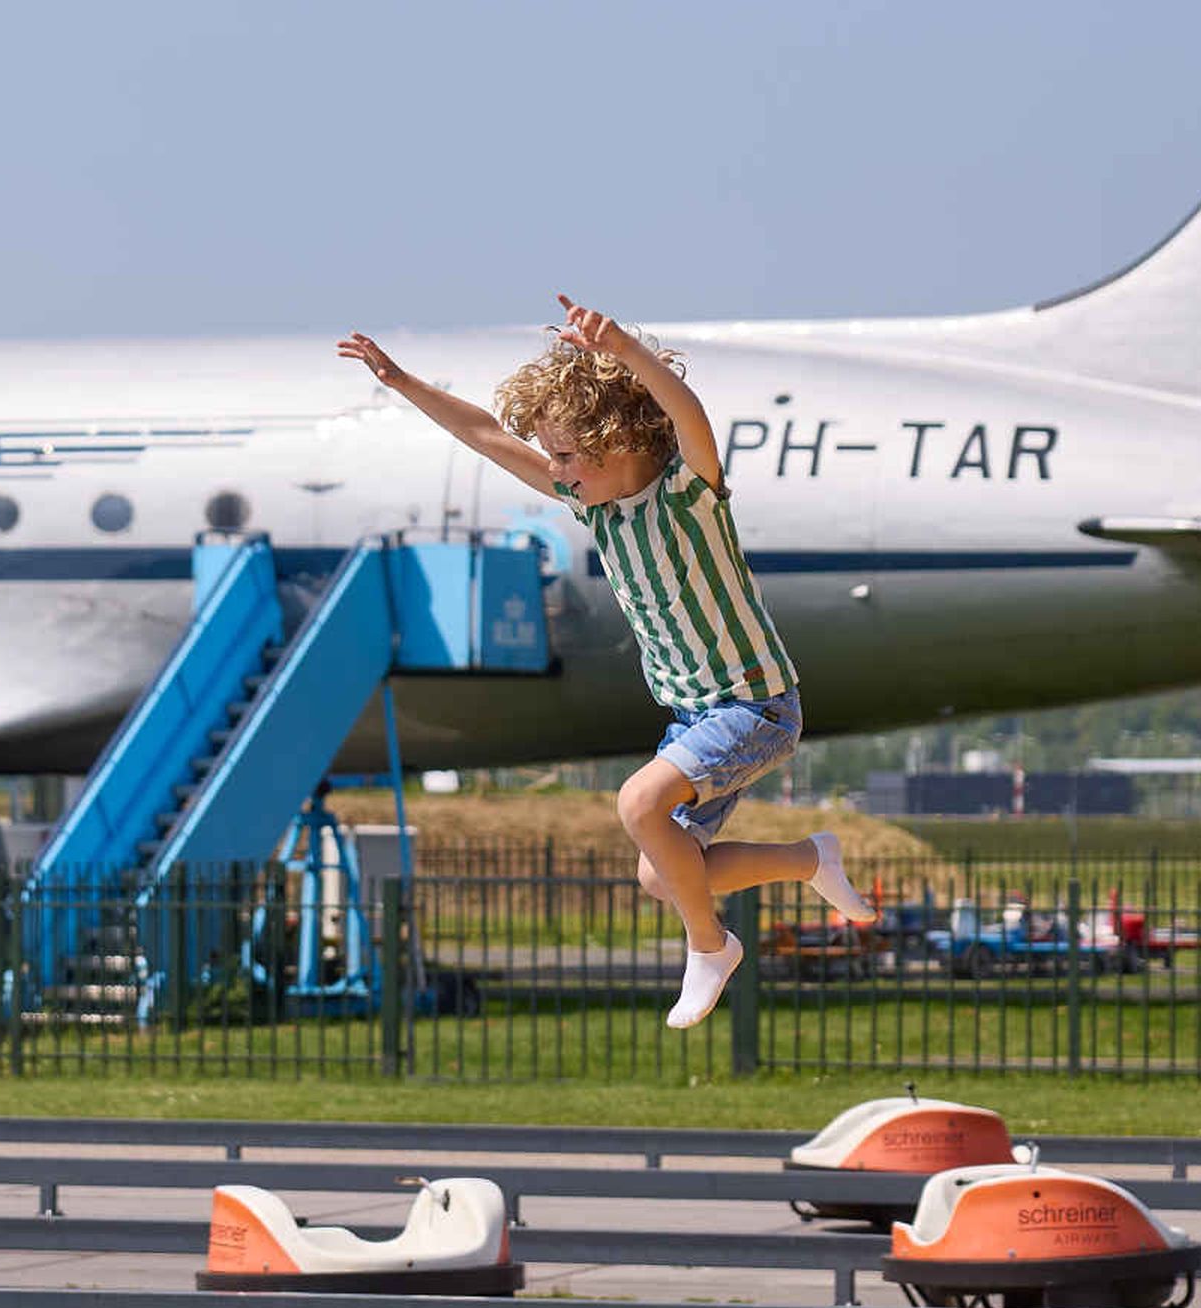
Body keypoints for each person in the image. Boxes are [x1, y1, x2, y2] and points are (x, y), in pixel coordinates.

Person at [338, 301, 869, 1028]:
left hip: (755, 705)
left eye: (565, 458)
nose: (555, 475)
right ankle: (811, 859)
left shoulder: (690, 494)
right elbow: (488, 436)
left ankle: (711, 947)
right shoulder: (595, 508)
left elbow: (685, 408)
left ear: (616, 441)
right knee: (663, 872)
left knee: (637, 805)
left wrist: (620, 347)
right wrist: (403, 383)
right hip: (694, 717)